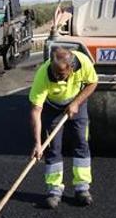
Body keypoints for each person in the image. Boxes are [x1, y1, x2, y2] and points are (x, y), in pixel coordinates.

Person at [28, 47, 98, 209]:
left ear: (71, 68)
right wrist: (37, 143)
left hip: (77, 101)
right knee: (52, 147)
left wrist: (75, 103)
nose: (57, 78)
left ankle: (82, 188)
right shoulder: (43, 75)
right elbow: (36, 111)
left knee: (81, 141)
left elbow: (92, 83)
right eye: (55, 73)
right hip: (52, 107)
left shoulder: (82, 62)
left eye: (62, 75)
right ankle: (54, 190)